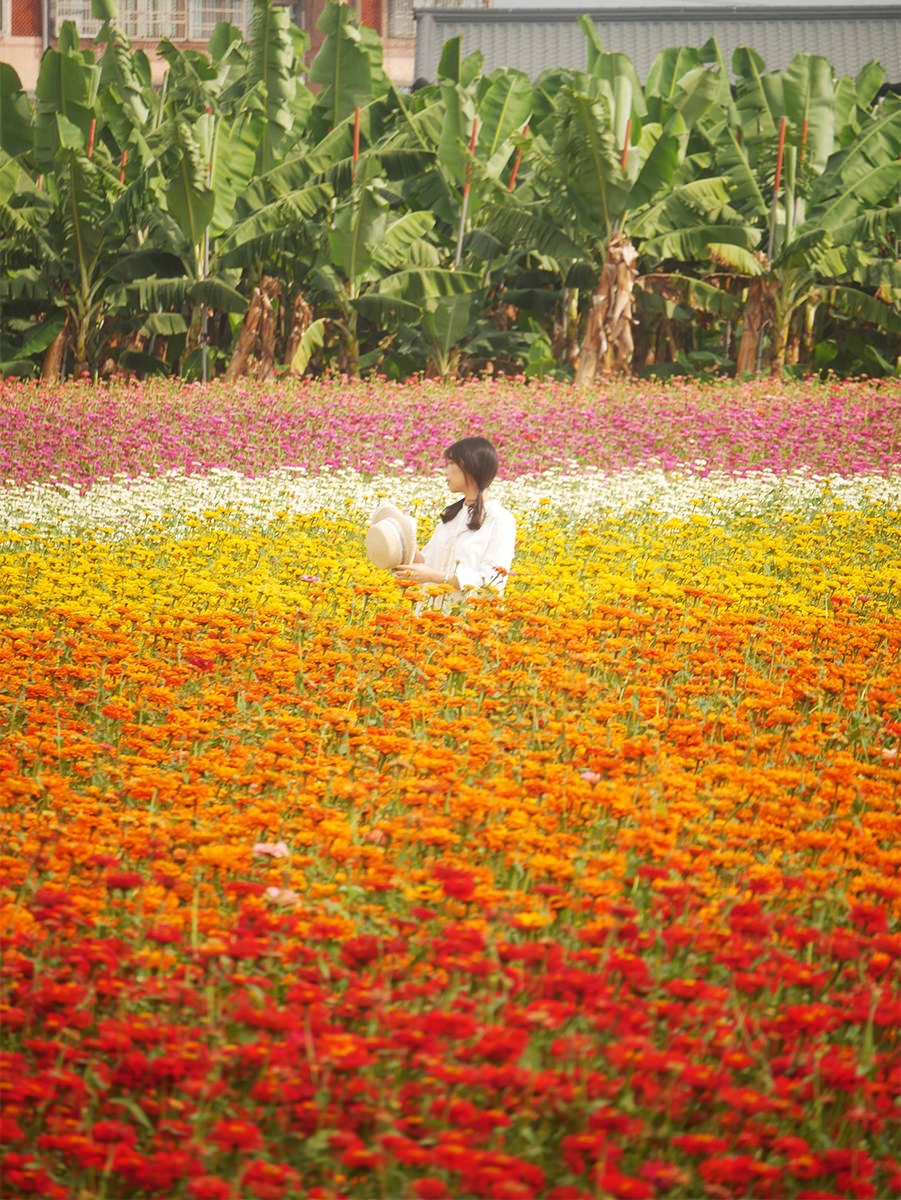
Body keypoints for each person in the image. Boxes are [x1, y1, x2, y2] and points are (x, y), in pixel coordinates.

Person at [393, 436, 516, 601]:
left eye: (451, 464)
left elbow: (493, 581)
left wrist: (439, 578)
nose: (446, 471)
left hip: (471, 617)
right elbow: (427, 563)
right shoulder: (453, 515)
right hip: (432, 615)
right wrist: (405, 532)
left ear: (470, 467)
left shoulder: (499, 519)